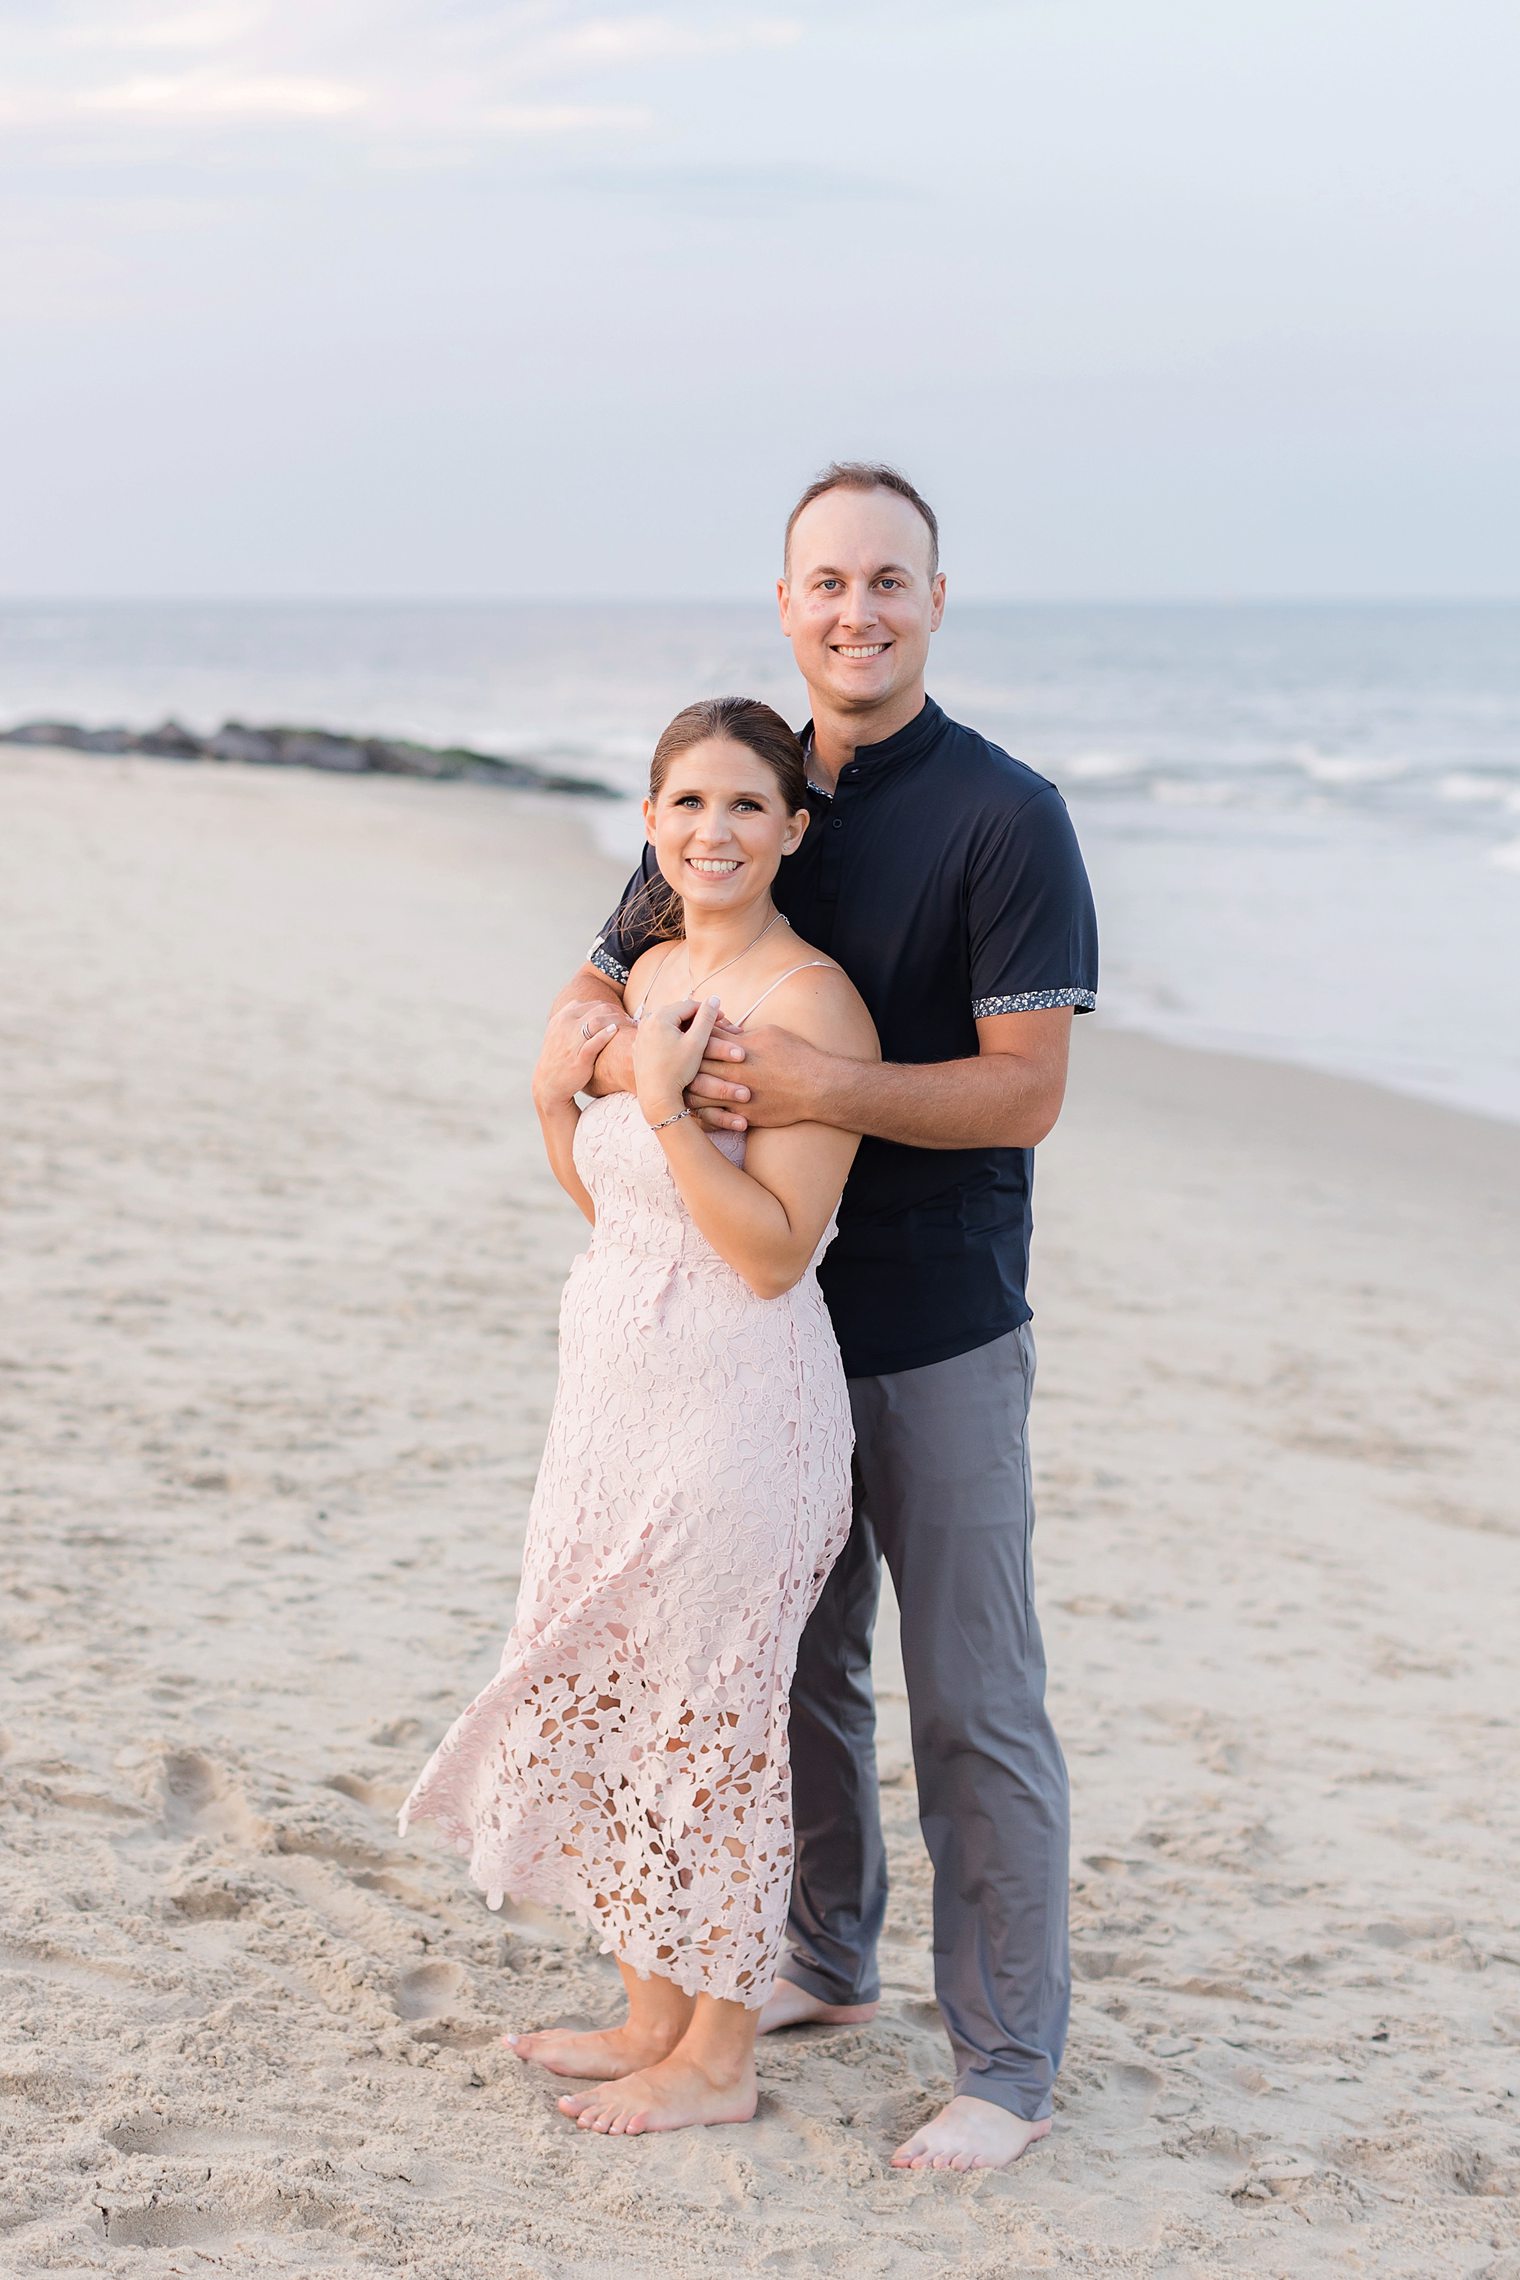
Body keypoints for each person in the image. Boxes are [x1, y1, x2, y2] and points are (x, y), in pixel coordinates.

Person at [554, 463, 1099, 2173]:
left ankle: (1005, 2064)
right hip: (736, 1337)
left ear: (938, 601)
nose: (856, 608)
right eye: (825, 582)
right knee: (786, 1676)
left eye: (889, 580)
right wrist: (575, 1027)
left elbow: (1026, 1097)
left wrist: (813, 1077)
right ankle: (824, 1962)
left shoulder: (1007, 818)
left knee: (971, 1699)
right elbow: (620, 953)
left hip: (928, 1325)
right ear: (786, 604)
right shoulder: (760, 784)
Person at [399, 696, 878, 2138]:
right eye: (686, 805)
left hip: (741, 1410)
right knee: (615, 1697)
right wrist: (562, 1098)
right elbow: (602, 1194)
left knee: (713, 1721)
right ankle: (651, 2017)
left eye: (745, 806)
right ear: (651, 821)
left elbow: (773, 1247)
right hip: (610, 1399)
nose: (712, 832)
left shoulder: (812, 1005)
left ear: (793, 829)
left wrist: (664, 1104)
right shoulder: (649, 968)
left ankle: (719, 2063)